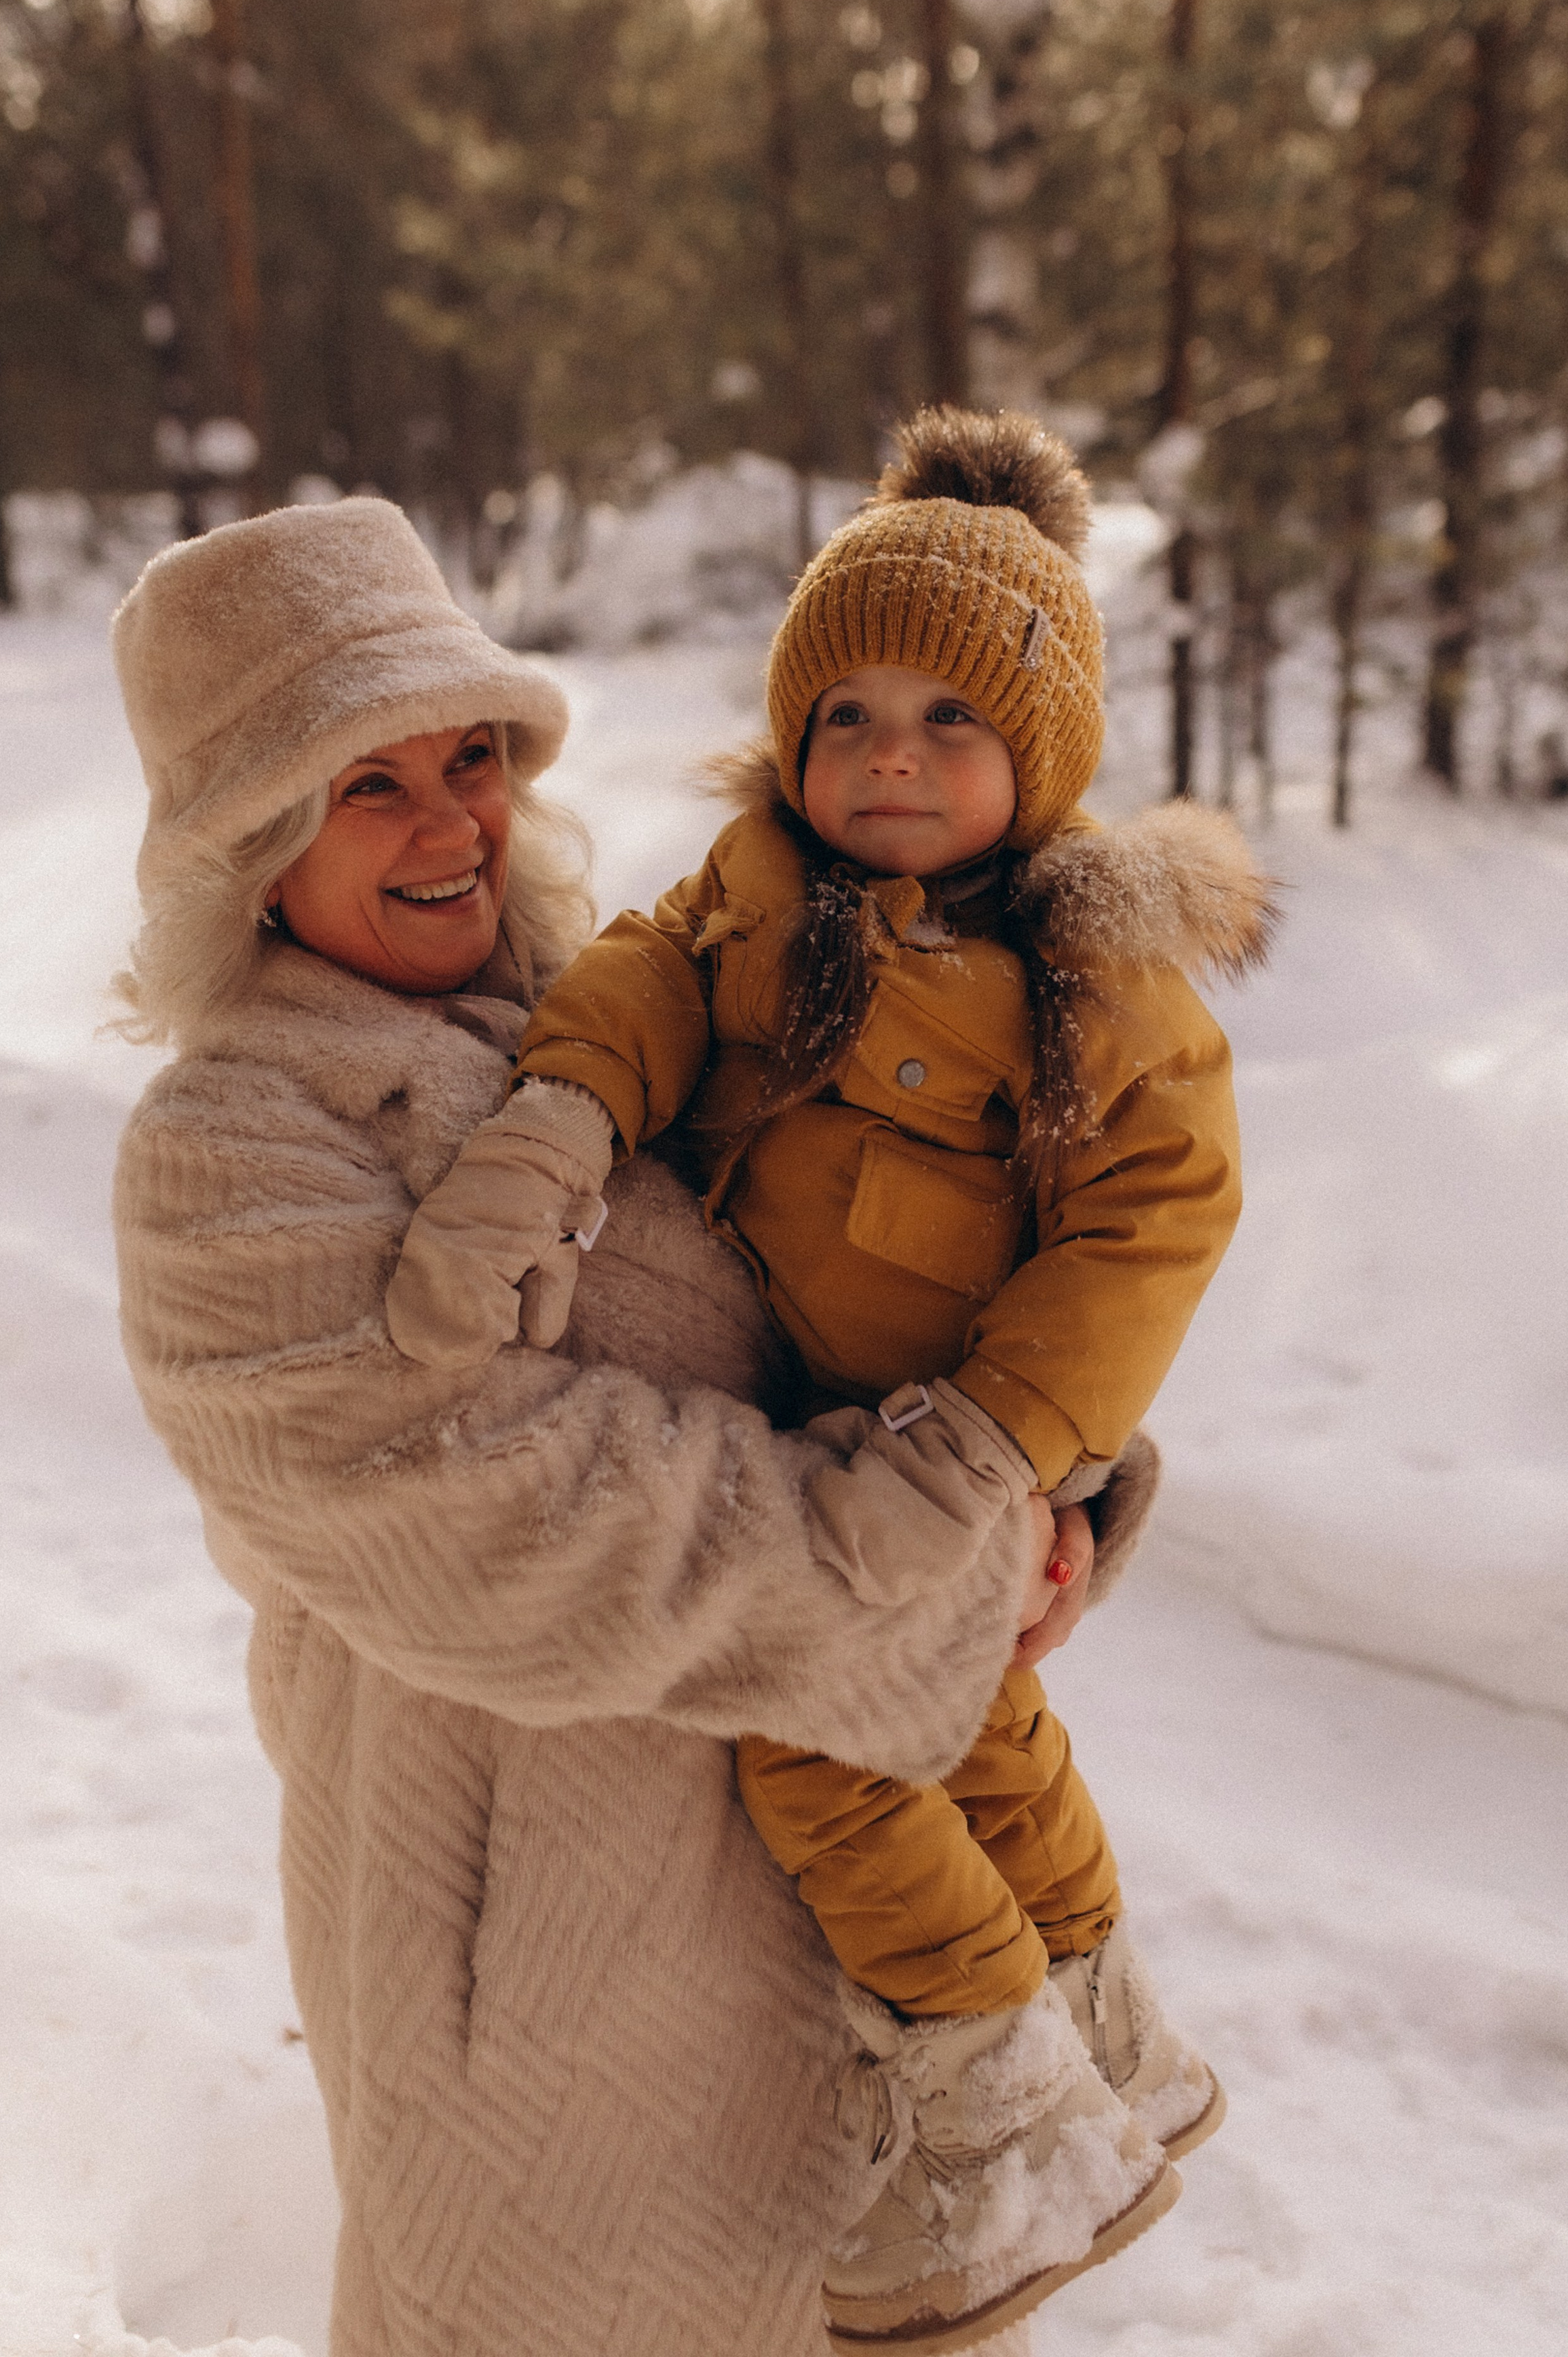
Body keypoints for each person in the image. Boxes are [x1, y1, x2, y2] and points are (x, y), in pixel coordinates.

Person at [107, 496, 1162, 2357]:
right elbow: (523, 1525)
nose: (452, 825)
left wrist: (1055, 1464)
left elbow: (896, 1249)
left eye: (470, 757)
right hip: (543, 1994)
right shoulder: (228, 1154)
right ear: (246, 841)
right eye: (369, 786)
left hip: (828, 1899)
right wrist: (951, 1544)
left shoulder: (626, 1008)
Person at [383, 410, 1275, 2350]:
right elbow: (638, 974)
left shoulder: (1095, 990)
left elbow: (1155, 1225)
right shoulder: (751, 887)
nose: (888, 756)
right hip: (813, 1436)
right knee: (981, 1742)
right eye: (847, 713)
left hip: (934, 1450)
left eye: (949, 725)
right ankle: (1109, 2037)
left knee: (835, 1743)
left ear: (1037, 769)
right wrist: (560, 1112)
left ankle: (993, 2100)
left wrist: (1011, 1448)